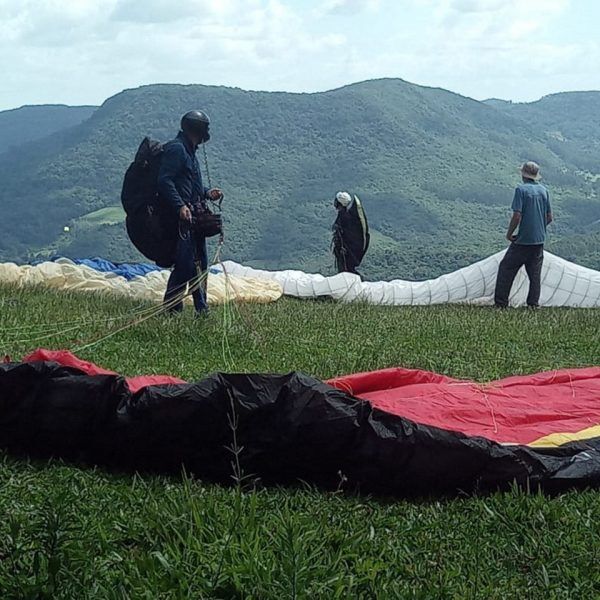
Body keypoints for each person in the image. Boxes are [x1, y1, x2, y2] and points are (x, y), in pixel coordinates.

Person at [157, 110, 223, 315]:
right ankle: (171, 309)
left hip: (194, 216)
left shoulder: (190, 151)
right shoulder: (177, 150)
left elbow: (189, 185)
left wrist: (207, 193)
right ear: (198, 129)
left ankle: (201, 309)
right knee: (185, 265)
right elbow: (165, 181)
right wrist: (180, 206)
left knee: (200, 264)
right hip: (181, 219)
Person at [494, 161, 553, 308]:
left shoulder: (521, 190)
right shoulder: (543, 191)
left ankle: (501, 304)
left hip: (523, 241)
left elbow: (517, 216)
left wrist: (510, 234)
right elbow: (549, 217)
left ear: (523, 174)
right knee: (534, 275)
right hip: (538, 241)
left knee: (506, 269)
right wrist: (538, 228)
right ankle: (533, 305)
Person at [332, 191, 370, 277]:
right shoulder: (347, 215)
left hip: (345, 253)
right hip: (346, 251)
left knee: (346, 271)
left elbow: (345, 235)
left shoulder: (344, 216)